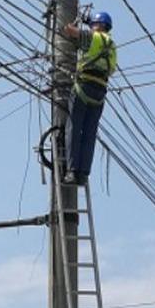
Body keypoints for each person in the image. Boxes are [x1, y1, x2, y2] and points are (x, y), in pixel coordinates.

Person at [61, 11, 117, 186]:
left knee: (74, 128)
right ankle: (83, 174)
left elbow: (69, 31)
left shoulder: (93, 37)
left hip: (83, 88)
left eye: (93, 23)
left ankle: (71, 171)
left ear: (98, 25)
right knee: (89, 134)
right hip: (100, 93)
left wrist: (77, 21)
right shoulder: (112, 45)